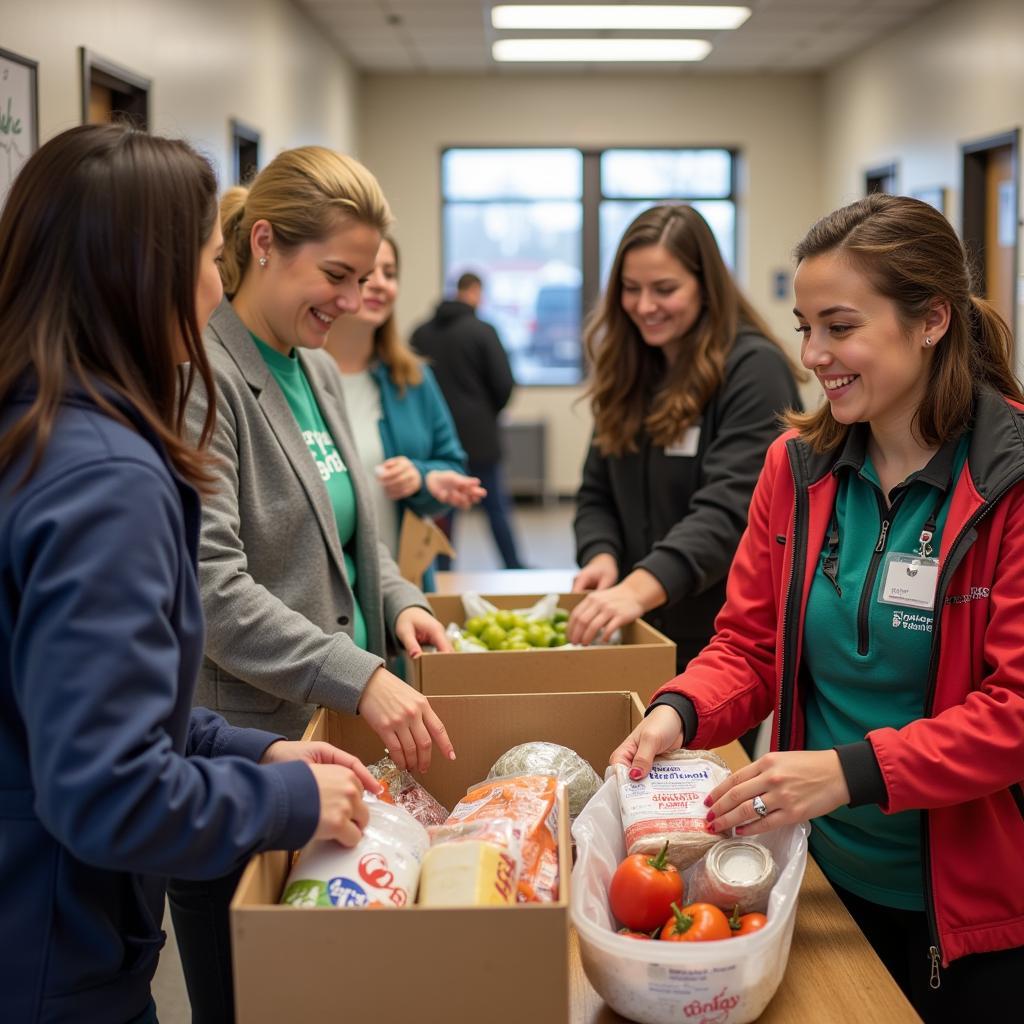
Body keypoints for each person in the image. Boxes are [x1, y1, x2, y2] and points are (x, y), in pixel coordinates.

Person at [611, 194, 1024, 1022]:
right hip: (818, 876)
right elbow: (752, 644)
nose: (814, 354)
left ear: (932, 320)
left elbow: (1014, 713)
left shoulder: (1009, 483)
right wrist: (680, 711)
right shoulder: (796, 471)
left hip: (972, 912)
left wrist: (850, 771)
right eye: (805, 326)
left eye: (839, 327)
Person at [0, 125, 380, 1024]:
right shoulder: (103, 479)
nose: (215, 285)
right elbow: (109, 788)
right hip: (51, 950)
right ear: (140, 274)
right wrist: (285, 796)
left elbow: (82, 695)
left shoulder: (36, 425)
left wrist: (250, 749)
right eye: (209, 257)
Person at [173, 147, 455, 1022]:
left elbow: (351, 537)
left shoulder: (319, 367)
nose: (353, 298)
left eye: (366, 276)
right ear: (262, 243)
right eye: (335, 273)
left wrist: (403, 602)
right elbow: (213, 592)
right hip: (246, 747)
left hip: (331, 734)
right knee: (248, 996)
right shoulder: (201, 378)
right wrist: (358, 671)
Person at [568, 204, 802, 673]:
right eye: (631, 290)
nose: (644, 306)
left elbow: (729, 507)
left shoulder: (754, 370)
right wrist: (601, 553)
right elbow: (597, 490)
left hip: (723, 637)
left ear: (706, 287)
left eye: (665, 289)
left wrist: (640, 586)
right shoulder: (632, 366)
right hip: (639, 624)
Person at [324, 235, 485, 589]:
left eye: (390, 272)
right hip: (322, 593)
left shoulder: (412, 378)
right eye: (368, 272)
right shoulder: (299, 377)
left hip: (402, 583)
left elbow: (452, 465)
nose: (380, 283)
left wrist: (421, 477)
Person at [411, 271, 524, 569]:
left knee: (442, 511)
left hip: (435, 440)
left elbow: (409, 387)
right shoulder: (483, 331)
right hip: (480, 439)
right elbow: (504, 384)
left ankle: (441, 576)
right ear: (474, 291)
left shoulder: (420, 333)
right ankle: (513, 566)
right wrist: (487, 414)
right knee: (496, 508)